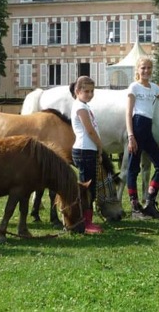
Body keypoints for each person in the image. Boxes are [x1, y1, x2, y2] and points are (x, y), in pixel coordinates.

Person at [126, 56, 159, 219]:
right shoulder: (134, 87)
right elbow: (128, 113)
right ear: (137, 70)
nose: (146, 71)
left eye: (149, 68)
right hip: (137, 126)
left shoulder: (154, 88)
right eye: (143, 68)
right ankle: (135, 207)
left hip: (148, 129)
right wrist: (130, 136)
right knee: (133, 168)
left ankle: (150, 202)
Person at [70, 76, 105, 234]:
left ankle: (88, 219)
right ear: (77, 91)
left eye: (92, 91)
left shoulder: (84, 106)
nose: (90, 94)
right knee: (87, 189)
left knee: (89, 187)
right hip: (84, 150)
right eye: (86, 91)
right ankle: (84, 222)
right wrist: (99, 145)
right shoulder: (80, 107)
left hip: (88, 150)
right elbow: (89, 130)